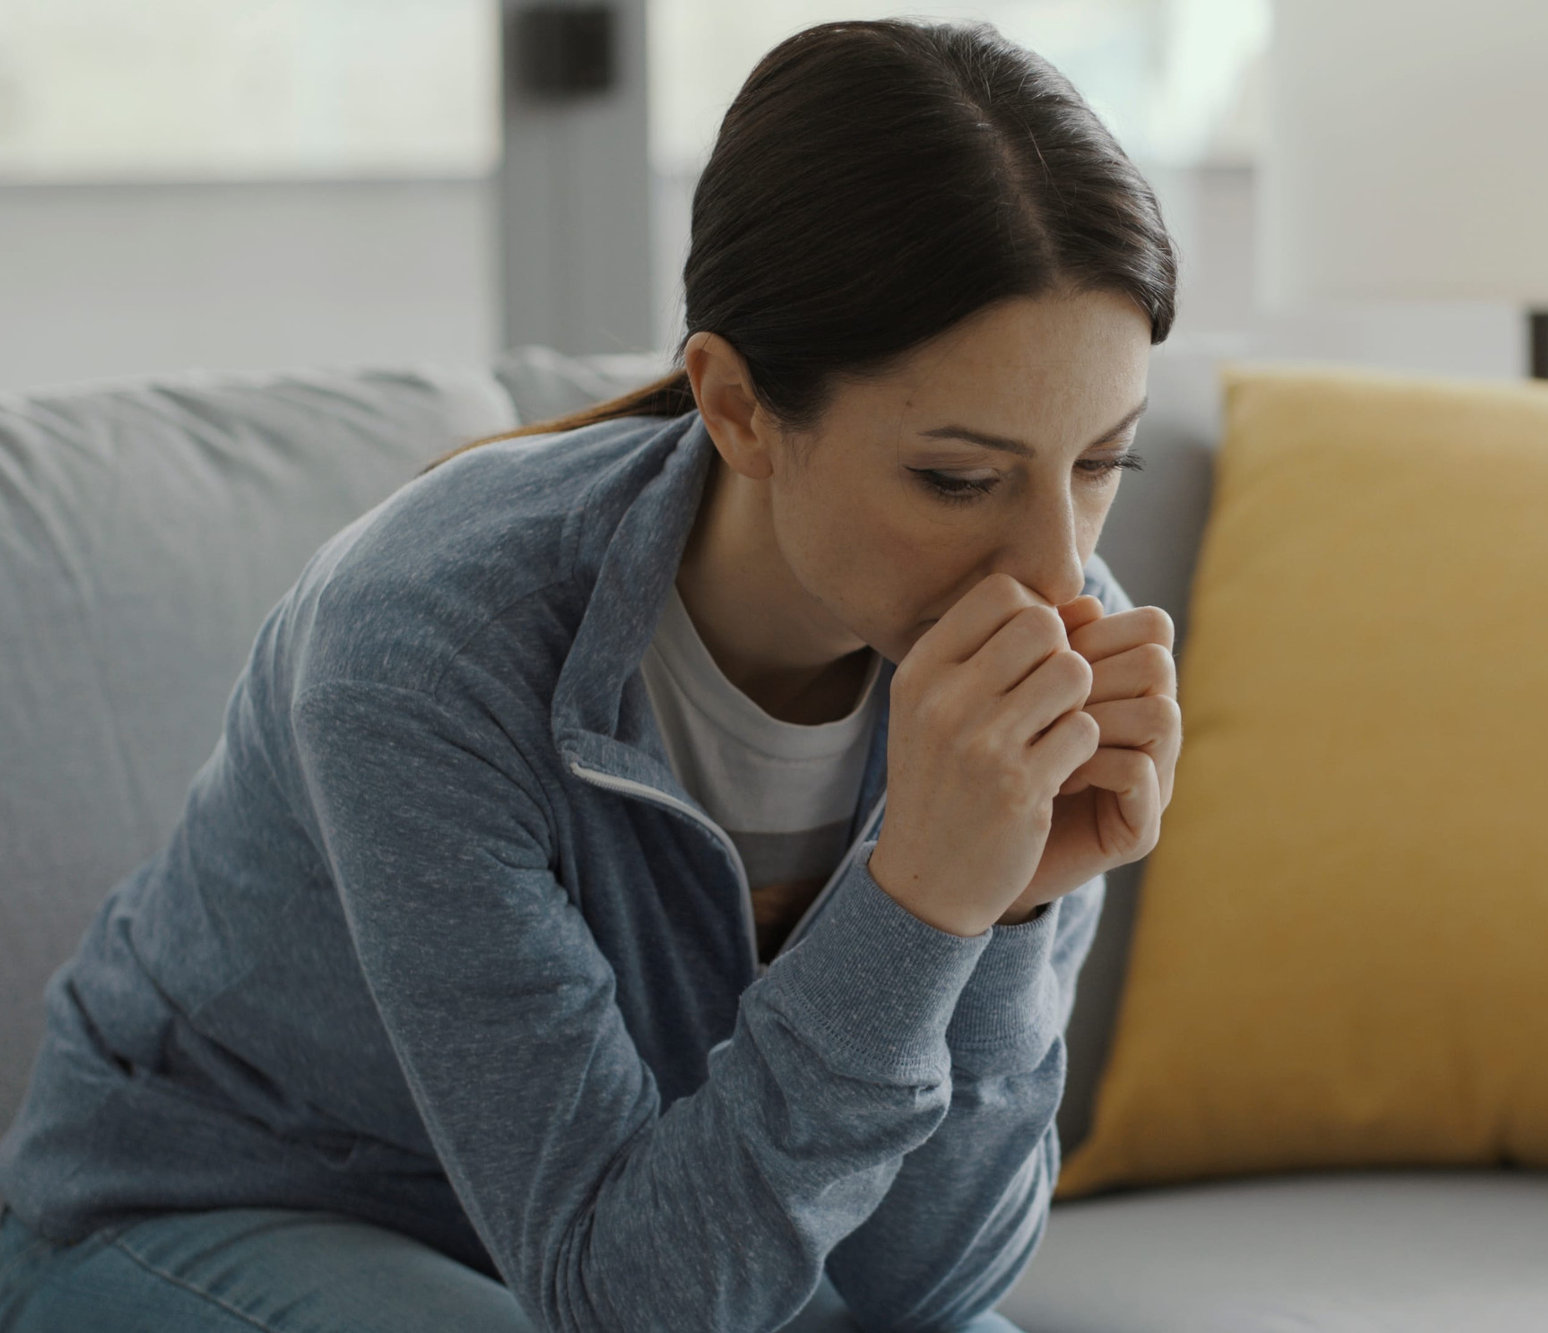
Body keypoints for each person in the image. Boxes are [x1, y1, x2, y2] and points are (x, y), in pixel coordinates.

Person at [0, 16, 1182, 1333]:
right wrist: (916, 907)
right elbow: (631, 1303)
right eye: (960, 478)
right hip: (228, 1212)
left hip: (666, 1243)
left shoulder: (1029, 652)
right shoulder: (424, 640)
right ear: (734, 405)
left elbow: (923, 1293)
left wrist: (1002, 918)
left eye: (1099, 465)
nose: (1057, 574)